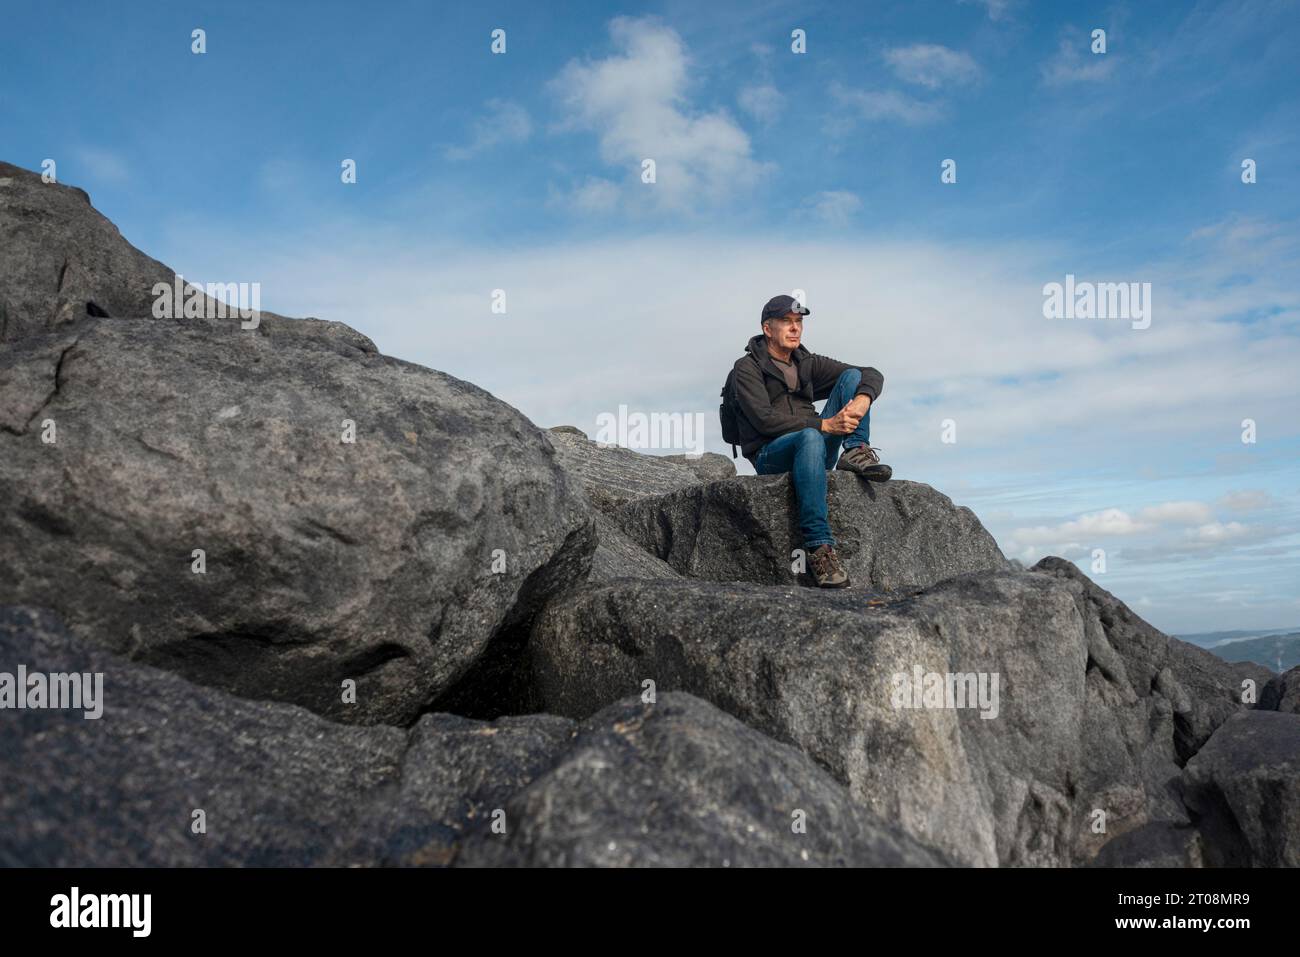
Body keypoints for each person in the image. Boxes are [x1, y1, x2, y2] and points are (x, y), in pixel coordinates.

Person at [730, 294, 890, 588]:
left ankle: (855, 450)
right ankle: (820, 548)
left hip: (814, 447)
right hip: (770, 455)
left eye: (798, 322)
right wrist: (824, 424)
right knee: (810, 435)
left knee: (852, 377)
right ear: (768, 329)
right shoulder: (747, 368)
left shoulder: (806, 362)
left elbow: (871, 373)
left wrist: (863, 400)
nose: (795, 329)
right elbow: (764, 420)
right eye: (786, 323)